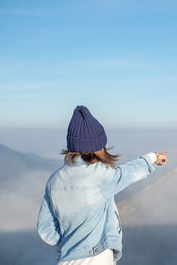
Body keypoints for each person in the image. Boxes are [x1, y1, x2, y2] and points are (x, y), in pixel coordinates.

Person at [36, 105, 168, 264]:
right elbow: (129, 172)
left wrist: (72, 242)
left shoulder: (54, 180)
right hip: (96, 257)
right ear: (98, 147)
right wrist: (153, 156)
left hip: (66, 259)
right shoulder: (100, 175)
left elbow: (46, 230)